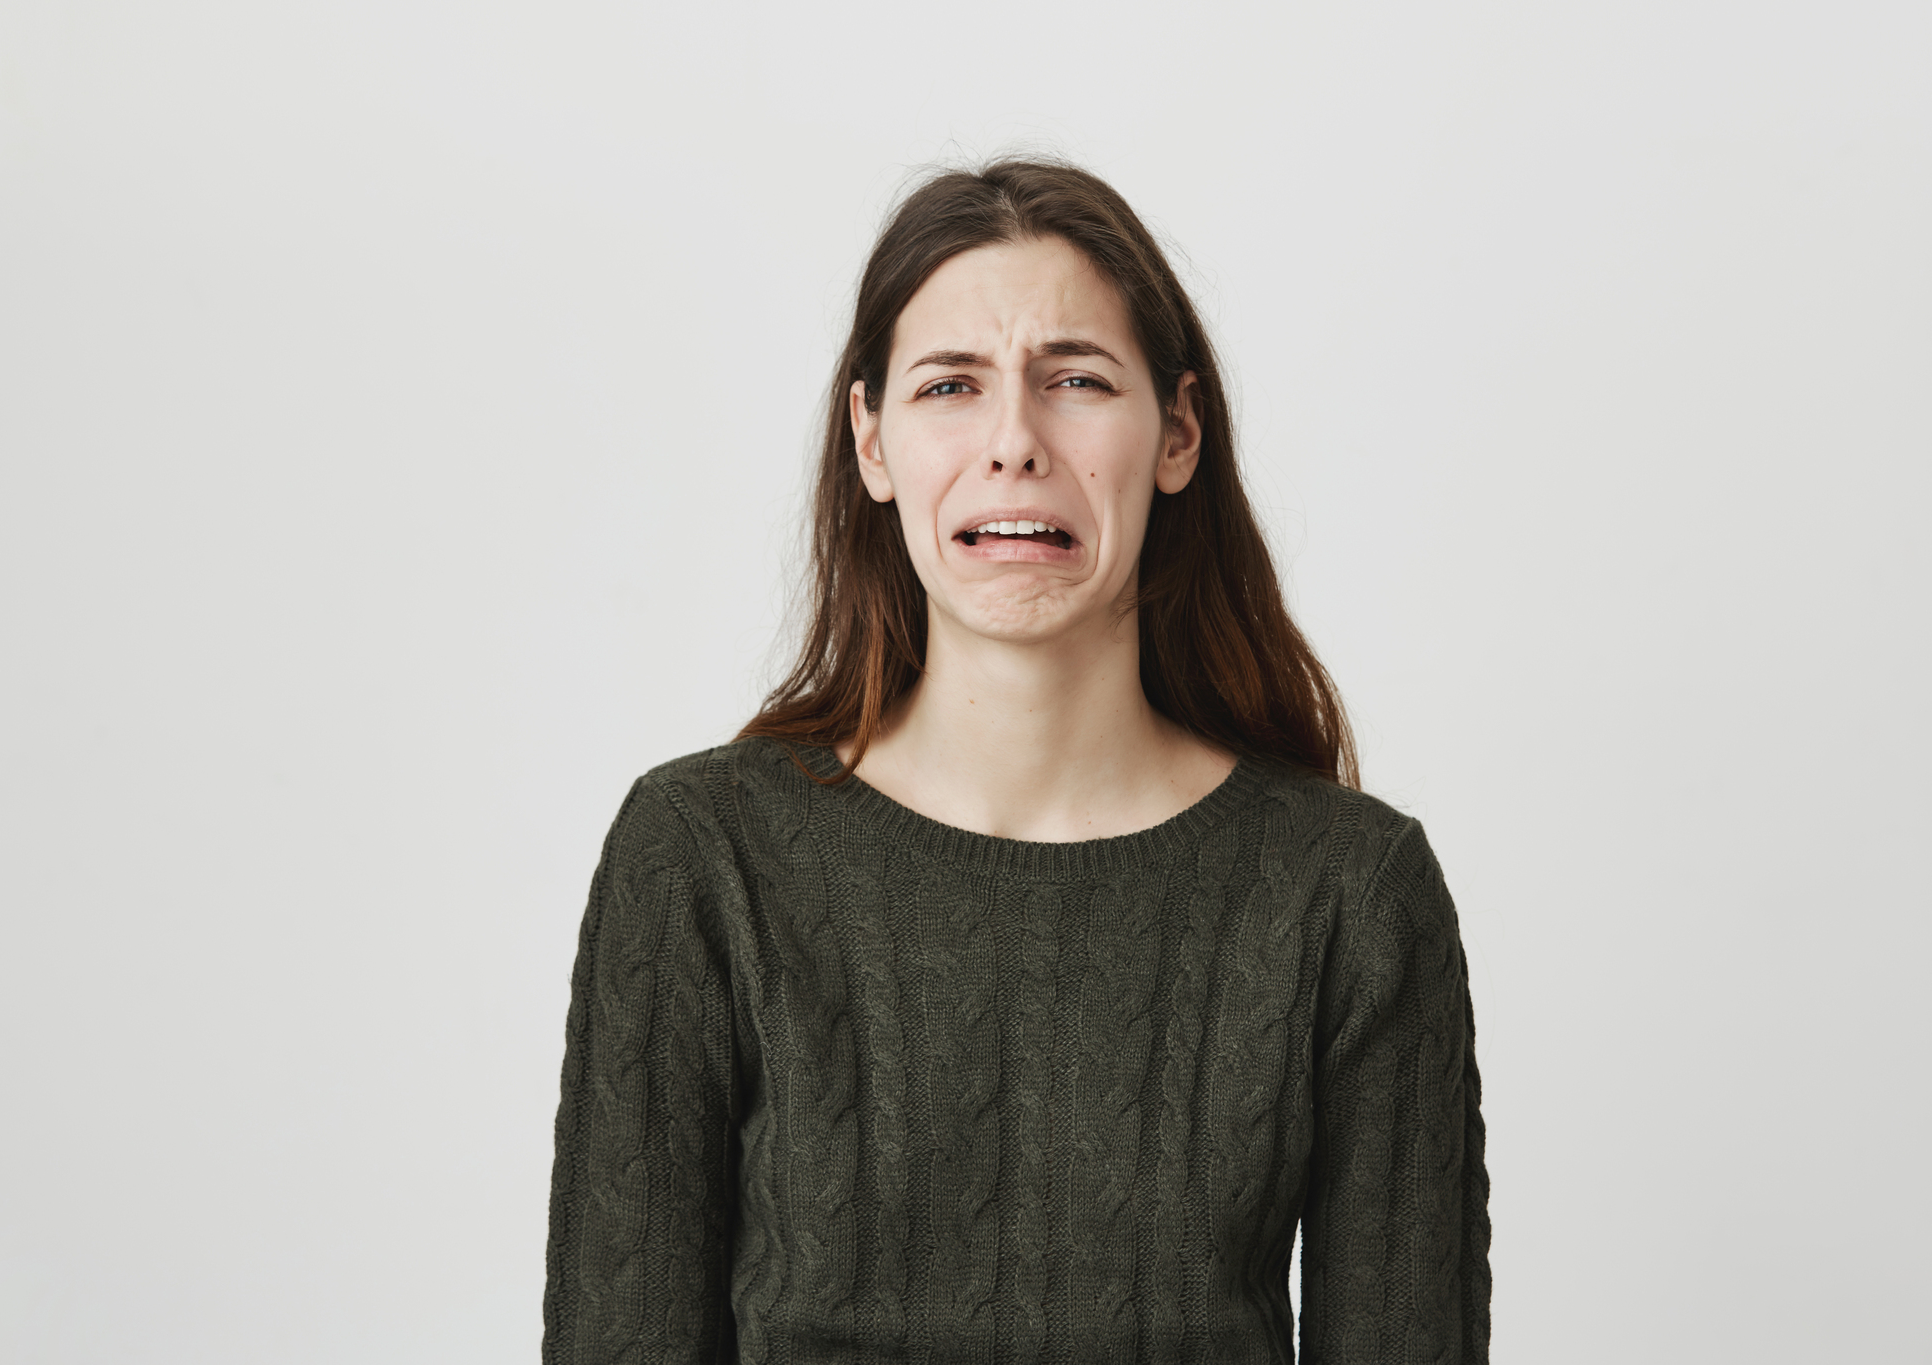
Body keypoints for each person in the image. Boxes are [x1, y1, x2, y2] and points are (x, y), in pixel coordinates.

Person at [542, 158, 1490, 1364]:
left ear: (1177, 433)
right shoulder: (700, 859)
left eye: (1075, 381)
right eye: (950, 386)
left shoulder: (1348, 892)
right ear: (870, 441)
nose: (1012, 444)